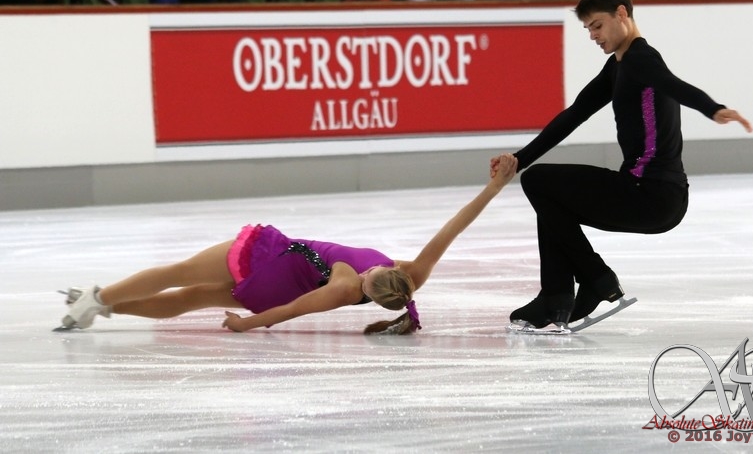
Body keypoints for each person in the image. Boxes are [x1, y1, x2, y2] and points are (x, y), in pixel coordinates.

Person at [491, 0, 752, 330]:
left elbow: (674, 85)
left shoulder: (641, 59)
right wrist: (519, 159)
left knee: (540, 182)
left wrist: (713, 108)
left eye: (597, 25)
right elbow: (575, 114)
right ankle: (563, 294)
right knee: (548, 194)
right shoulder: (618, 65)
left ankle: (588, 281)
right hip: (654, 195)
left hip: (651, 194)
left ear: (621, 13)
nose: (593, 36)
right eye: (588, 29)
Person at [59, 154, 519, 334]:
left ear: (369, 284)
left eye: (368, 278)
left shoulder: (347, 286)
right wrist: (495, 188)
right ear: (394, 277)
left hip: (270, 258)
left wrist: (246, 326)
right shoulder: (408, 278)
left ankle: (98, 298)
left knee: (179, 273)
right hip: (275, 288)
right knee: (191, 298)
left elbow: (293, 313)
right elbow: (455, 227)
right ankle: (106, 308)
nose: (367, 272)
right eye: (375, 272)